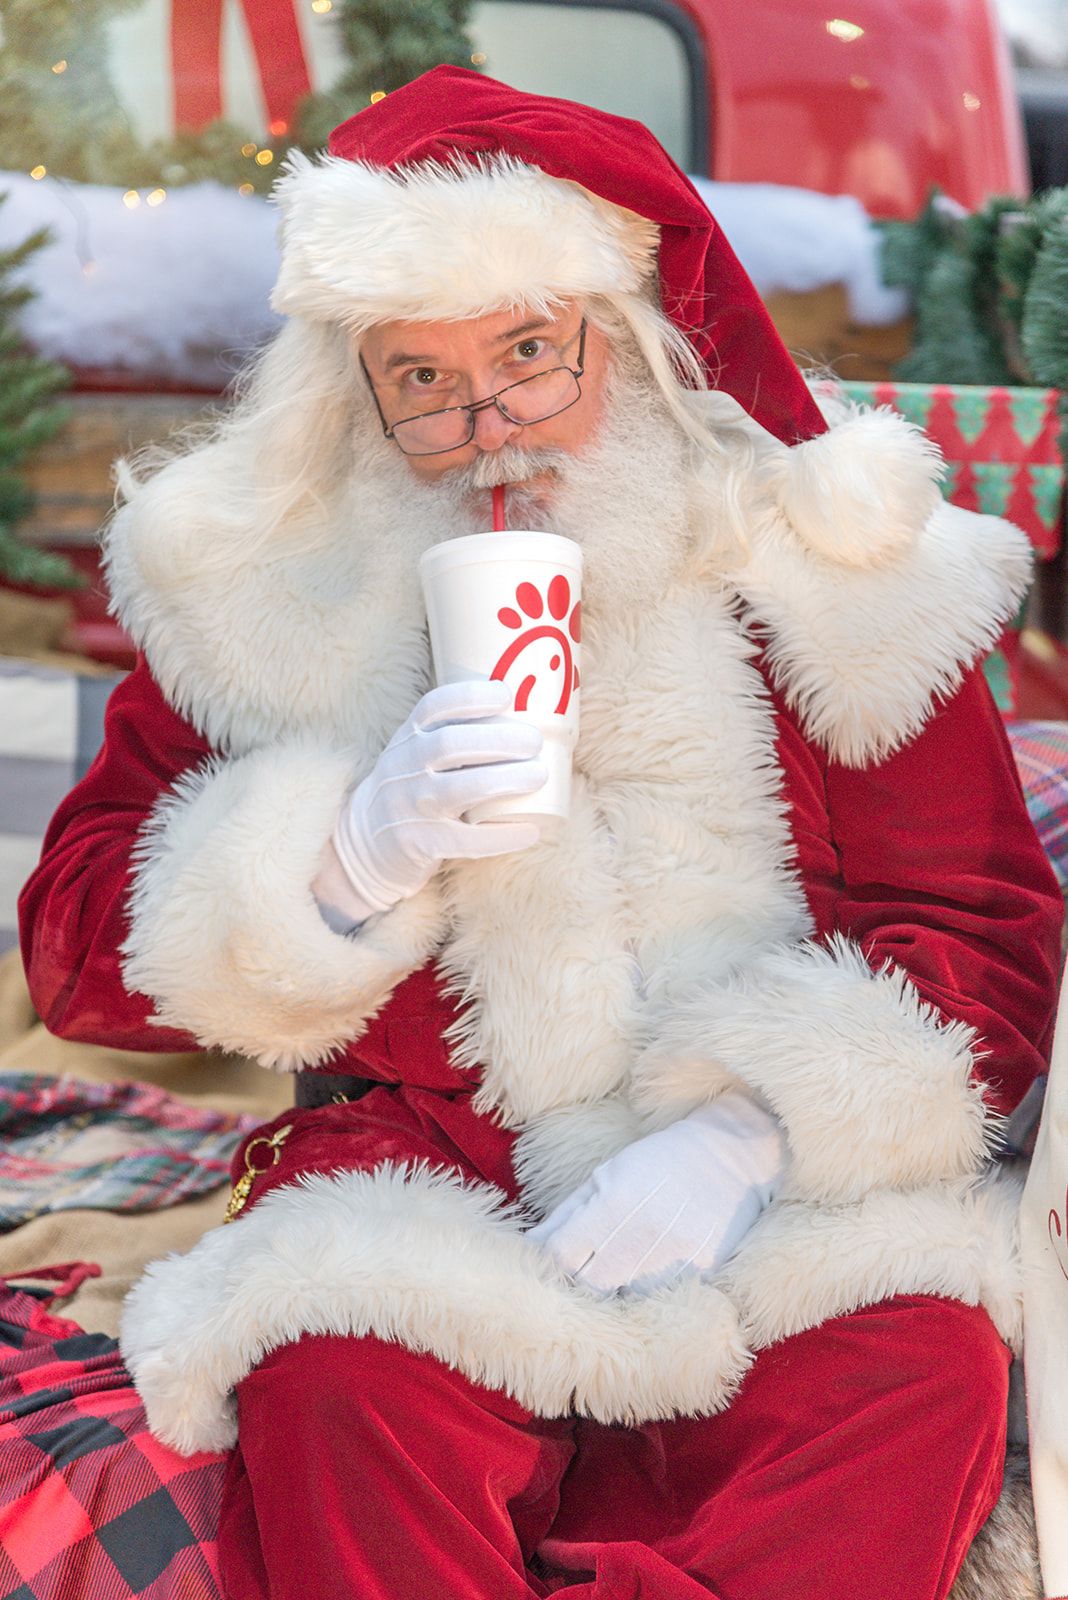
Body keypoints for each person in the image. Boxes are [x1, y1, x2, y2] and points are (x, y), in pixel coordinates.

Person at [18, 66, 1063, 1600]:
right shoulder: (261, 581)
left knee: (925, 1373)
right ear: (352, 390)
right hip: (427, 1174)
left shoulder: (831, 564)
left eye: (528, 353)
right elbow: (76, 955)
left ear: (627, 339)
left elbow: (983, 928)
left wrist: (748, 1135)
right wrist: (343, 862)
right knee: (342, 1392)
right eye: (420, 380)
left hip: (788, 1204)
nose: (486, 423)